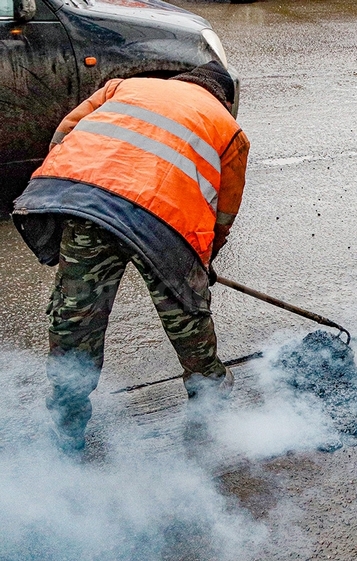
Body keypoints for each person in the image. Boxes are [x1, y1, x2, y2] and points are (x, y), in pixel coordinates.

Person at [12, 61, 250, 452]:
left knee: (77, 316)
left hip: (88, 205)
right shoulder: (229, 129)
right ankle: (210, 401)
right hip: (163, 226)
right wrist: (204, 264)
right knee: (185, 314)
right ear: (225, 98)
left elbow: (63, 136)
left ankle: (66, 423)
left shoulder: (122, 88)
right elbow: (224, 213)